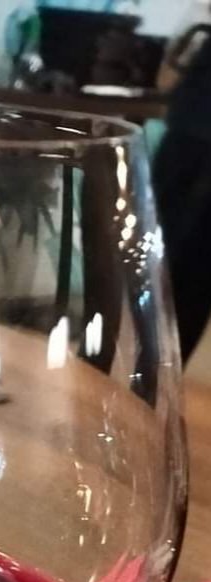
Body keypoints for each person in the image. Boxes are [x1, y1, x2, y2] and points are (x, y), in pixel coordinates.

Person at [154, 28, 211, 362]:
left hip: (195, 127)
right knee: (171, 265)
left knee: (183, 270)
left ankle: (155, 378)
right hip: (196, 128)